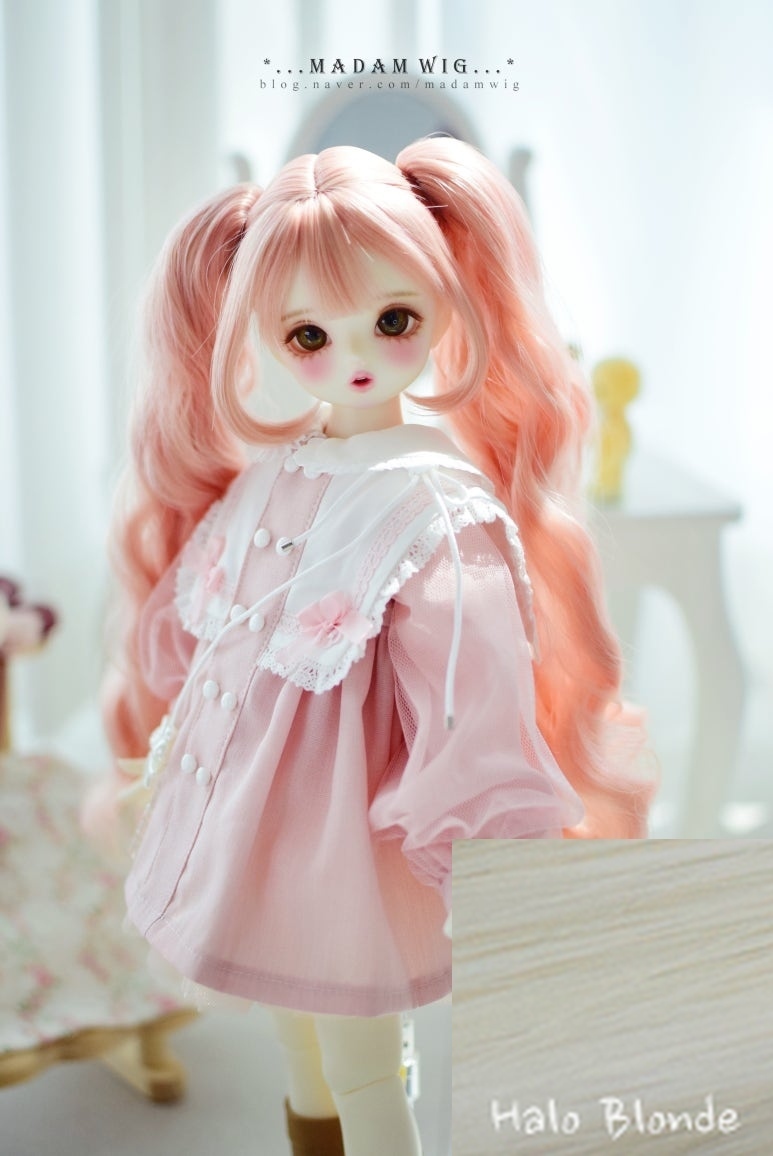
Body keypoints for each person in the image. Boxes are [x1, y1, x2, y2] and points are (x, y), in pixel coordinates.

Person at [102, 138, 652, 1155]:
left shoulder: (431, 500)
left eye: (392, 320)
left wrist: (464, 837)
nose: (353, 357)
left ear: (442, 302)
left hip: (349, 840)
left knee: (362, 1064)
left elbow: (470, 693)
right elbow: (210, 620)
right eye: (308, 335)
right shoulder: (281, 470)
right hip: (255, 823)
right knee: (300, 1046)